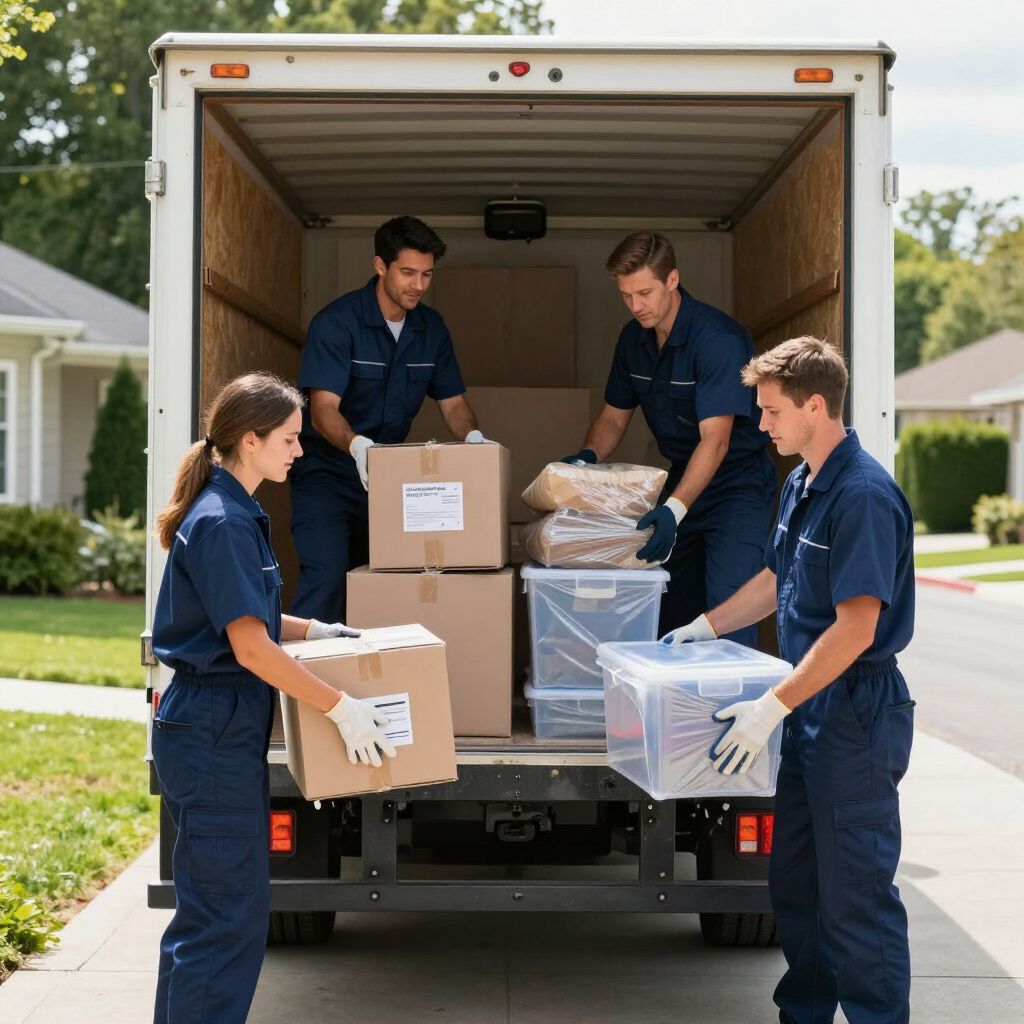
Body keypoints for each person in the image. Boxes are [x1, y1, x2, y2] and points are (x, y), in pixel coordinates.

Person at [664, 337, 915, 1024]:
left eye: (772, 412)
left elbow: (855, 628)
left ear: (814, 405)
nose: (762, 426)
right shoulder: (802, 481)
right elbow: (778, 579)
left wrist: (770, 705)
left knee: (855, 896)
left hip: (856, 716)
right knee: (797, 888)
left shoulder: (862, 496)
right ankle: (803, 1015)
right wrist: (706, 626)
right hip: (809, 711)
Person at [150, 372, 398, 1024]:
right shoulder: (224, 521)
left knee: (222, 912)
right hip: (211, 726)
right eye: (289, 439)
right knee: (224, 919)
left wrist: (319, 630)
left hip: (218, 725)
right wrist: (339, 707)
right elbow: (252, 650)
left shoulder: (235, 512)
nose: (299, 451)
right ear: (250, 439)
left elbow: (251, 619)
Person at [562, 231, 775, 645]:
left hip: (737, 487)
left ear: (672, 280)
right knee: (670, 611)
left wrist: (674, 510)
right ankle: (678, 710)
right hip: (684, 478)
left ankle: (734, 708)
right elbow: (613, 416)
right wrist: (586, 459)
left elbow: (716, 440)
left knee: (729, 614)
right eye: (625, 295)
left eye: (644, 292)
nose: (636, 306)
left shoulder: (717, 341)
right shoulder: (632, 339)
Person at [291, 215, 486, 622]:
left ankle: (365, 681)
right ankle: (294, 685)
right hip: (326, 475)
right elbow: (324, 408)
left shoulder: (431, 329)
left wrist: (473, 439)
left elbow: (453, 403)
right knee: (327, 577)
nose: (418, 285)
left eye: (427, 274)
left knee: (377, 585)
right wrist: (355, 444)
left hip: (386, 483)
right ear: (380, 266)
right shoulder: (337, 323)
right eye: (408, 273)